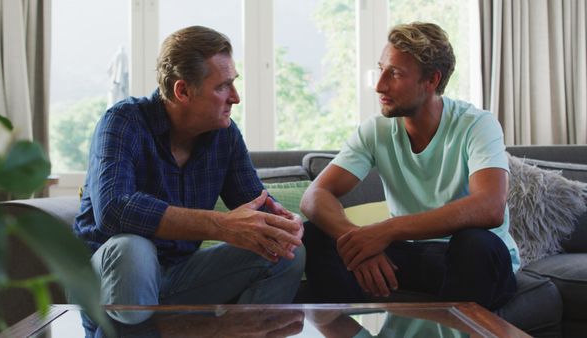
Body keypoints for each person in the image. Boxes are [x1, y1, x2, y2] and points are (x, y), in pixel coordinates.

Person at [73, 26, 305, 326]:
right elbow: (115, 210)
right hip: (107, 286)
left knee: (285, 251)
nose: (235, 97)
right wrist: (221, 225)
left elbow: (255, 203)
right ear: (182, 91)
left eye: (233, 83)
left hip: (181, 277)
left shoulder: (225, 135)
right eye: (222, 86)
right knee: (134, 248)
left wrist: (282, 224)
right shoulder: (122, 121)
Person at [300, 22, 519, 311]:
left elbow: (489, 206)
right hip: (410, 258)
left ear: (431, 80)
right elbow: (314, 196)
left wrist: (387, 230)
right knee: (315, 235)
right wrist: (358, 243)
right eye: (380, 70)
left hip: (468, 259)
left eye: (395, 73)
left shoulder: (477, 124)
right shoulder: (375, 131)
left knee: (475, 243)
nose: (379, 85)